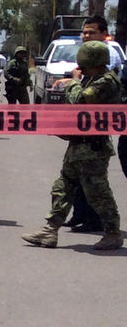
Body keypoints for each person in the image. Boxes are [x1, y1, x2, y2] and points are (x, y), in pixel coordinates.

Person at [22, 41, 123, 250]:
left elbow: (81, 101)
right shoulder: (91, 79)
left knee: (98, 192)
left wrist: (73, 82)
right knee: (62, 188)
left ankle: (113, 233)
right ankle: (50, 230)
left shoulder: (106, 81)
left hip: (93, 148)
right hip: (78, 145)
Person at [64, 15, 117, 232]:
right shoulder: (84, 56)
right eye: (84, 32)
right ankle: (80, 214)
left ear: (103, 34)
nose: (86, 36)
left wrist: (73, 83)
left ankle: (99, 222)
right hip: (81, 132)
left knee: (94, 182)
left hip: (95, 134)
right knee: (73, 178)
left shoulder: (108, 57)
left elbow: (87, 97)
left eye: (91, 32)